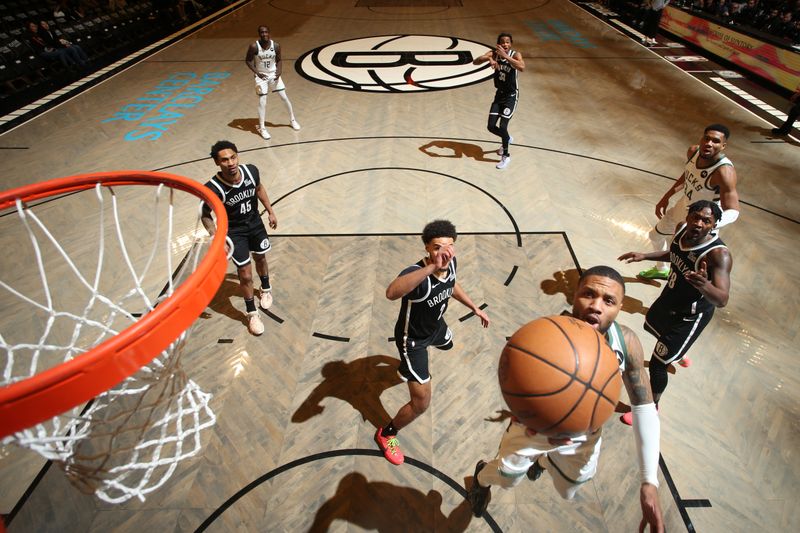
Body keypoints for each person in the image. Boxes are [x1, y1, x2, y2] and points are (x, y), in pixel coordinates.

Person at [467, 266, 663, 531]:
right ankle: (480, 479)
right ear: (574, 296)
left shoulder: (626, 342)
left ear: (620, 308)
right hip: (534, 428)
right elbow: (514, 379)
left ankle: (545, 460)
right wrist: (523, 408)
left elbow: (644, 407)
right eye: (588, 294)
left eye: (608, 301)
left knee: (569, 489)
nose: (596, 306)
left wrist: (649, 481)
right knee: (508, 478)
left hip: (584, 434)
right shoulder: (545, 335)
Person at [375, 220, 490, 465]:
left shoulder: (452, 262)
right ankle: (387, 434)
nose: (444, 253)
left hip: (435, 327)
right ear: (427, 248)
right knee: (421, 403)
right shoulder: (417, 276)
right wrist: (430, 268)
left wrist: (474, 308)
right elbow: (391, 293)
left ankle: (415, 362)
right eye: (437, 247)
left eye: (449, 246)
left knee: (448, 342)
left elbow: (452, 285)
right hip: (413, 341)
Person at [619, 200, 732, 412]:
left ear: (714, 224)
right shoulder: (681, 229)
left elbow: (722, 299)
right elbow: (674, 254)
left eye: (706, 221)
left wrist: (705, 284)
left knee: (657, 364)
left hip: (690, 317)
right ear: (688, 217)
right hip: (670, 299)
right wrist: (644, 256)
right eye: (695, 217)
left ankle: (650, 407)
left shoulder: (718, 255)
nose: (699, 223)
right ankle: (678, 352)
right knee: (651, 323)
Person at [640, 124, 738, 279]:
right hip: (683, 207)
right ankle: (661, 269)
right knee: (655, 236)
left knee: (685, 262)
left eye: (715, 141)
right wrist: (667, 196)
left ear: (723, 145)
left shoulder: (724, 172)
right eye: (706, 138)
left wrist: (707, 223)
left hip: (700, 222)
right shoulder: (693, 152)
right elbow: (687, 175)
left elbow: (733, 211)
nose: (709, 143)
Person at [201, 140, 277, 336]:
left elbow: (259, 189)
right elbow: (205, 214)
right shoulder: (213, 187)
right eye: (225, 160)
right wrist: (217, 237)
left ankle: (266, 288)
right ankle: (252, 312)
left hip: (255, 224)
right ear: (217, 163)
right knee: (244, 273)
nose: (231, 162)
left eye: (233, 157)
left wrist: (270, 211)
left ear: (237, 156)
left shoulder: (251, 171)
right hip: (234, 232)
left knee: (261, 258)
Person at [473, 33, 525, 170]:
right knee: (490, 126)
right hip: (499, 95)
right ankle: (507, 138)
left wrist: (507, 57)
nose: (505, 44)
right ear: (498, 44)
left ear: (511, 44)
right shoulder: (494, 54)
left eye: (508, 42)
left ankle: (506, 156)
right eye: (502, 42)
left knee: (502, 126)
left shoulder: (515, 55)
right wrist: (488, 59)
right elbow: (475, 61)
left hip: (511, 96)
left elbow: (522, 67)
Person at [245, 25, 300, 140]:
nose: (264, 34)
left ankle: (292, 120)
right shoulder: (254, 46)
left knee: (284, 97)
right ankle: (262, 128)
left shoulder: (276, 46)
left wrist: (279, 72)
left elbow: (279, 60)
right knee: (262, 101)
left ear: (269, 33)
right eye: (261, 32)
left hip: (273, 74)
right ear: (259, 34)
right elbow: (248, 61)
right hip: (261, 76)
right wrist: (257, 73)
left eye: (266, 32)